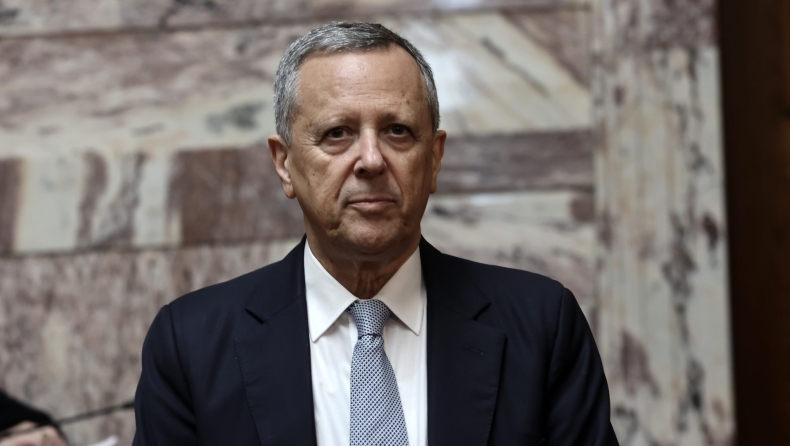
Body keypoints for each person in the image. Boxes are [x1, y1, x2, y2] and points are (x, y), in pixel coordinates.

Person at [133, 22, 618, 445]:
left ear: (434, 159)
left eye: (397, 131)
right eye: (337, 133)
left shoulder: (541, 326)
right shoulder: (191, 344)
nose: (370, 160)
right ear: (284, 164)